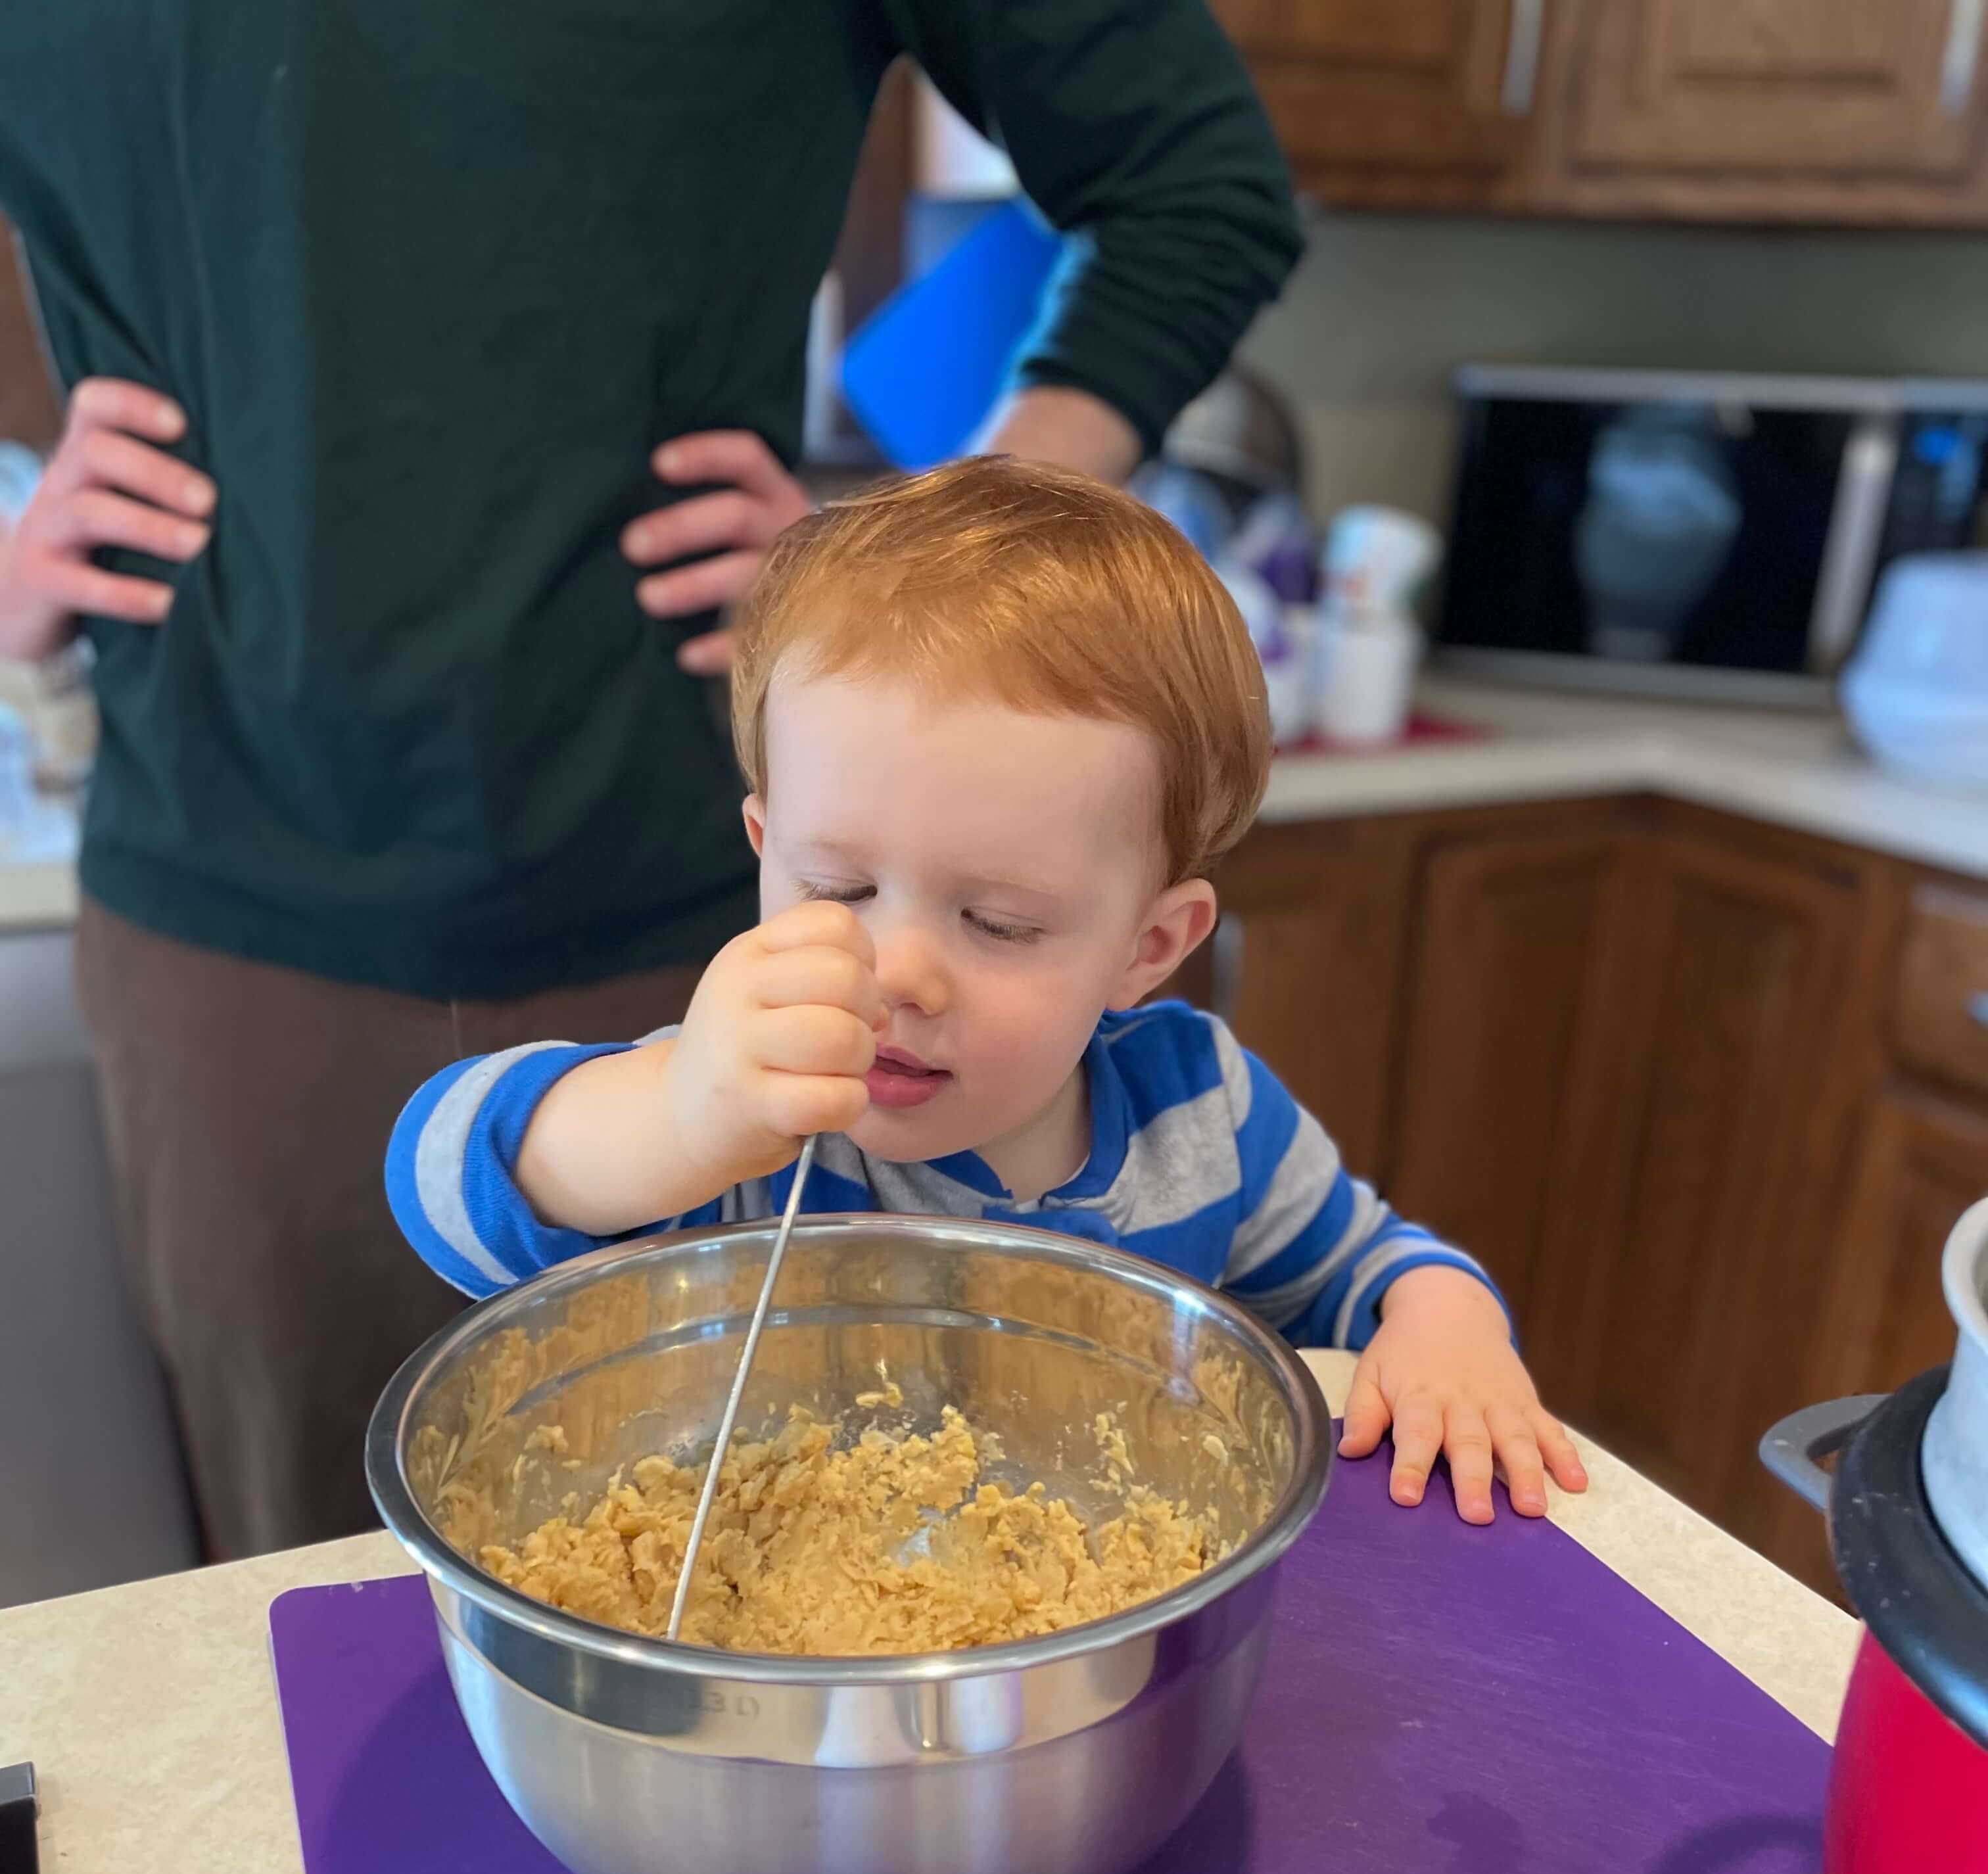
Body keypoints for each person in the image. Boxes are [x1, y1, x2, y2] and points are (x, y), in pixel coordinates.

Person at [0, 2, 1303, 1560]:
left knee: (816, 1538)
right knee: (299, 1584)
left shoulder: (1066, 1054)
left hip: (698, 906)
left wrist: (914, 576)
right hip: (232, 914)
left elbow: (1201, 182)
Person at [390, 461, 1587, 1523]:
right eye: (838, 886)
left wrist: (1446, 1325)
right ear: (763, 847)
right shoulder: (753, 1123)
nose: (897, 971)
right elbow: (438, 1174)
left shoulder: (1200, 1113)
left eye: (999, 922)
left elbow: (1369, 1262)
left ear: (1149, 945)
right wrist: (676, 1120)